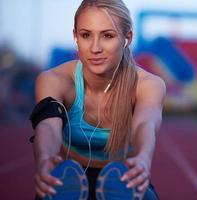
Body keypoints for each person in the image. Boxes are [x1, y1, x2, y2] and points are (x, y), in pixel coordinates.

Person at [31, 0, 166, 199]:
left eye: (107, 36)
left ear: (127, 38)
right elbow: (48, 127)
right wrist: (44, 159)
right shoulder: (54, 80)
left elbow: (145, 124)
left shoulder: (148, 84)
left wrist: (143, 159)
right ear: (75, 36)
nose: (95, 48)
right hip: (70, 182)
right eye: (86, 35)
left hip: (122, 180)